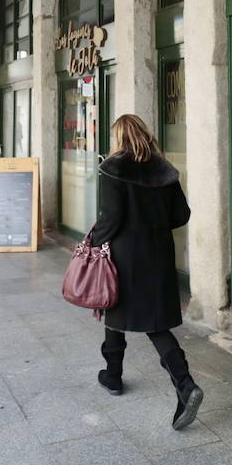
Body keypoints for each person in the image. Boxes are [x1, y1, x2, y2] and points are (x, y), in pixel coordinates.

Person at [89, 113, 201, 430]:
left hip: (125, 255)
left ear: (120, 137)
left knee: (112, 304)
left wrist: (94, 244)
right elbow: (182, 215)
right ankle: (185, 384)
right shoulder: (164, 170)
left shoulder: (113, 169)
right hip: (159, 255)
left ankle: (113, 376)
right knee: (155, 323)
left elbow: (110, 219)